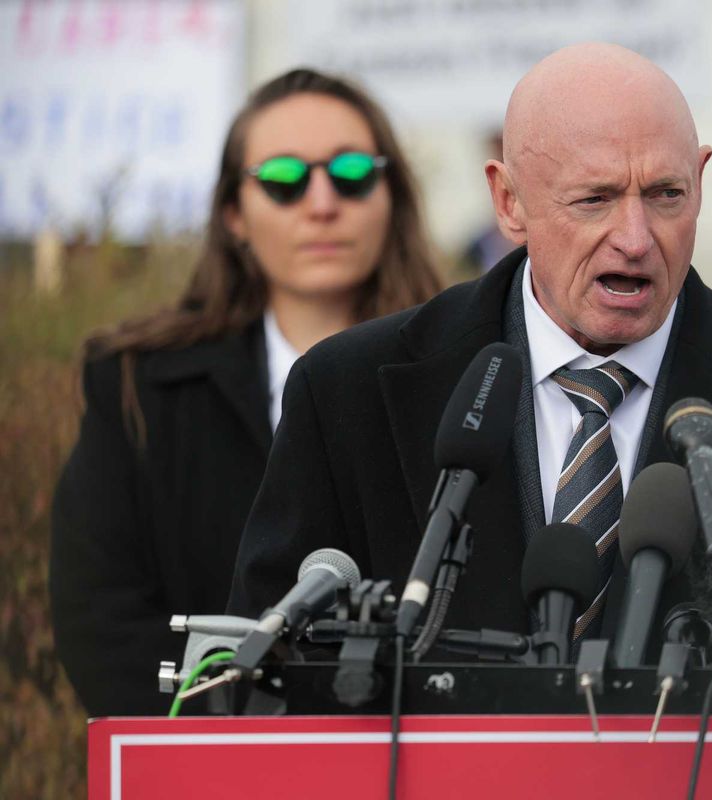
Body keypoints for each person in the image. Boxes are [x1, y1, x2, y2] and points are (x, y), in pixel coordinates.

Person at [228, 44, 712, 657]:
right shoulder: (349, 394)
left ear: (700, 182)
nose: (637, 238)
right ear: (508, 200)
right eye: (595, 199)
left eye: (667, 195)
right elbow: (268, 678)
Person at [50, 68, 442, 717]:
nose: (321, 202)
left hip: (411, 758)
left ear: (390, 196)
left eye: (350, 173)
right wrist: (224, 746)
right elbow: (100, 617)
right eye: (284, 180)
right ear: (234, 212)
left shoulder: (472, 379)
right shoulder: (136, 383)